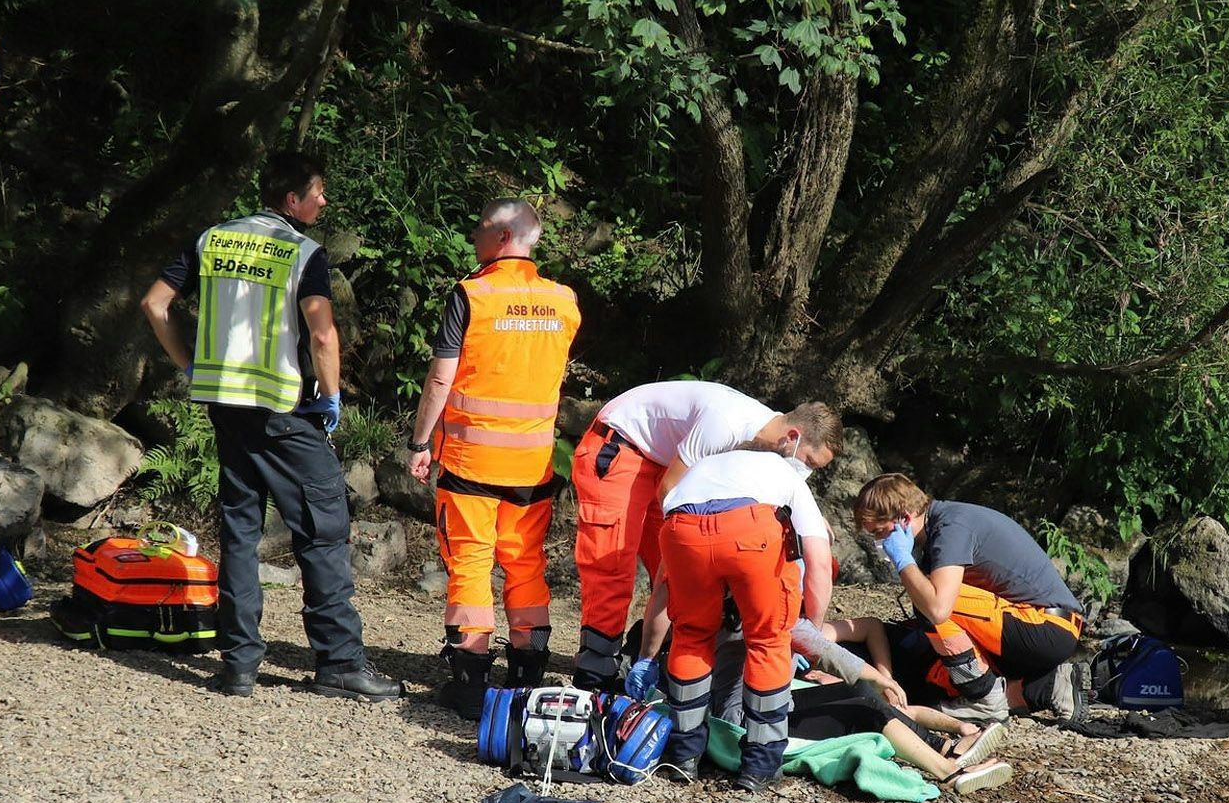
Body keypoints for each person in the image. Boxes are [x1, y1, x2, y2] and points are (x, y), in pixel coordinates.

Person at [139, 151, 401, 701]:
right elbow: (323, 333)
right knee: (324, 532)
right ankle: (340, 664)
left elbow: (155, 302)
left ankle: (239, 666)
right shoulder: (302, 252)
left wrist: (188, 363)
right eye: (318, 191)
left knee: (239, 536)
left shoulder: (212, 239)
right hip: (285, 413)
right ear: (292, 200)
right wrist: (331, 397)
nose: (323, 201)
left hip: (226, 411)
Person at [406, 199, 581, 717]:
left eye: (480, 230)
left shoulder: (472, 295)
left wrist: (420, 443)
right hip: (532, 465)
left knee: (471, 564)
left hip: (471, 463)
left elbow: (441, 377)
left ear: (503, 237)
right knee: (526, 563)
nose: (473, 240)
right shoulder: (564, 301)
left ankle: (471, 683)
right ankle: (528, 676)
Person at [572, 381, 841, 689]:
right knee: (616, 564)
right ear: (792, 438)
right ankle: (595, 674)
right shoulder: (726, 425)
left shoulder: (768, 438)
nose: (806, 471)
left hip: (665, 462)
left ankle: (660, 658)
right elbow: (670, 491)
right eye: (809, 463)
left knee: (682, 575)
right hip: (622, 446)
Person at [657, 448, 833, 794]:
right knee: (769, 641)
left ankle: (682, 757)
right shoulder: (786, 475)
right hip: (749, 533)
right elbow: (819, 561)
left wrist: (648, 656)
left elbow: (664, 579)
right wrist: (811, 628)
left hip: (680, 530)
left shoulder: (707, 466)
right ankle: (760, 764)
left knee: (690, 637)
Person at [851, 473, 1087, 724]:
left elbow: (938, 609)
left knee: (930, 603)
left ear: (905, 519)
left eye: (880, 532)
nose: (879, 542)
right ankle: (1048, 685)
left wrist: (903, 560)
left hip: (1046, 627)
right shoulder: (939, 527)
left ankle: (985, 700)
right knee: (934, 663)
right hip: (1034, 629)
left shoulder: (951, 527)